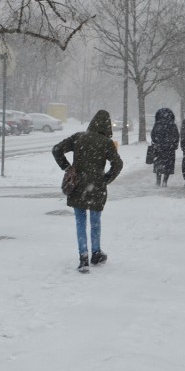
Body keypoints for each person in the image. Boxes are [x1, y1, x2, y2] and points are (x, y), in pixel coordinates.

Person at [52, 110, 123, 272]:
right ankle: (96, 253)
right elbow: (118, 164)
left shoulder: (78, 137)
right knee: (95, 221)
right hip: (97, 187)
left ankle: (83, 256)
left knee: (80, 221)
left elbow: (56, 149)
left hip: (78, 185)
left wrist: (67, 168)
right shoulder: (106, 143)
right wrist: (106, 179)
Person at [150, 108, 179, 187]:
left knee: (158, 164)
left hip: (159, 147)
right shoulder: (173, 124)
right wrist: (174, 145)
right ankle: (165, 181)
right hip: (169, 148)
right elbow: (176, 136)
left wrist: (156, 142)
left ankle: (158, 180)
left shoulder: (157, 124)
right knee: (168, 165)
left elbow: (153, 134)